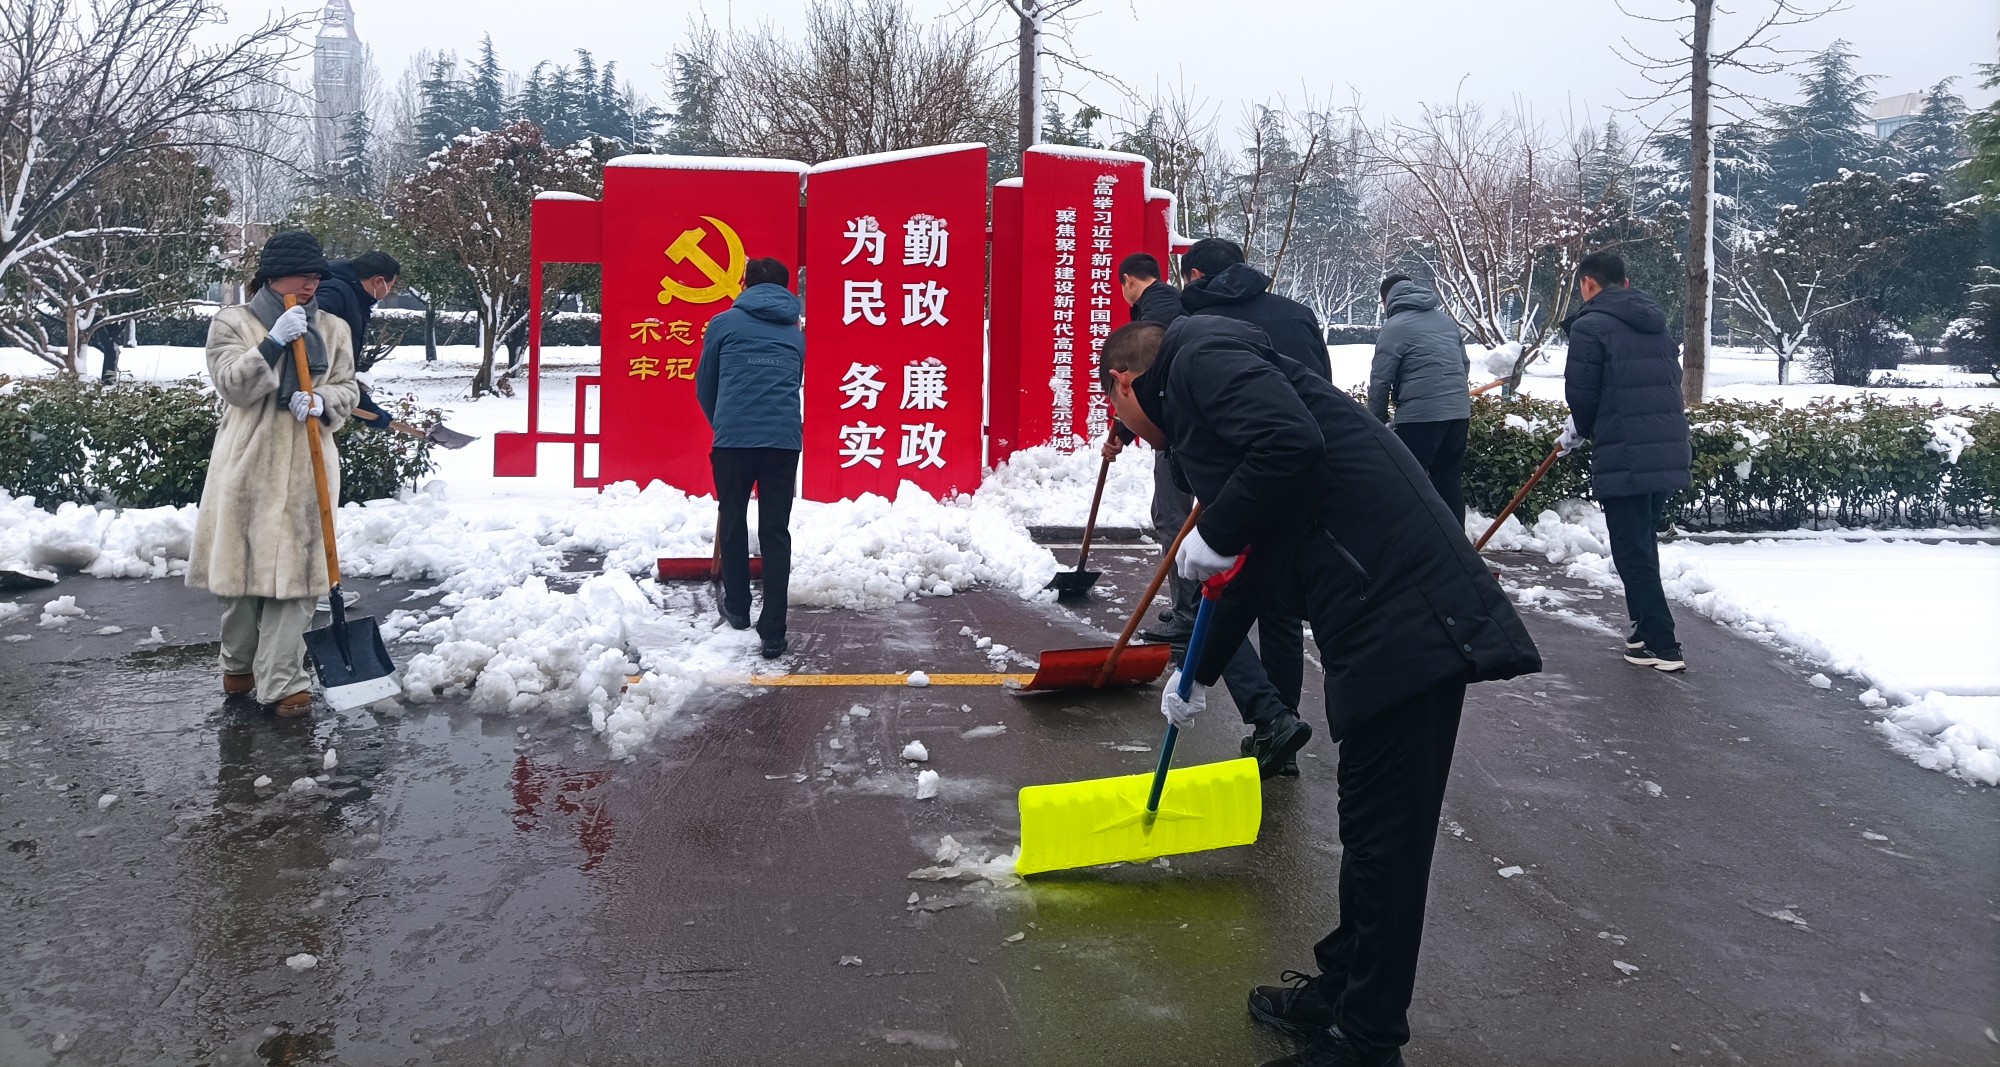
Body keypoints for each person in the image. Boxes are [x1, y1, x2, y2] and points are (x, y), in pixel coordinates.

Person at [1100, 316, 1541, 1067]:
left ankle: (1367, 1041)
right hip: (1378, 608)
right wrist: (1196, 674)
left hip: (1408, 612)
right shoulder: (1210, 413)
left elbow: (1291, 444)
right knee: (1368, 831)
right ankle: (1342, 989)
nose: (1134, 438)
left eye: (1117, 412)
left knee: (1385, 846)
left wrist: (1219, 527)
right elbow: (1251, 559)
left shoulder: (1198, 358)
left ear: (1124, 382)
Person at [186, 231, 358, 717]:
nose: (311, 283)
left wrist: (325, 400)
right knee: (242, 581)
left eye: (316, 276)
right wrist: (272, 343)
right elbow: (232, 387)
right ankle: (238, 663)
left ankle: (284, 682)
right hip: (247, 465)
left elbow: (348, 387)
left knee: (300, 581)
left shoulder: (334, 328)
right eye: (302, 274)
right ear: (272, 276)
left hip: (308, 466)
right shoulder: (232, 322)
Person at [1557, 251, 1692, 672]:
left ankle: (1663, 645)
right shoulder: (1655, 323)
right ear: (1626, 283)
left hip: (1627, 452)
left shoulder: (1590, 325)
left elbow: (1582, 393)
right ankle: (1643, 632)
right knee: (1641, 546)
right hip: (1664, 447)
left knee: (1633, 552)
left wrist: (1577, 430)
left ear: (1588, 284)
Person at [695, 256, 803, 660]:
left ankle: (738, 608)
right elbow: (794, 381)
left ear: (746, 285)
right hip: (783, 442)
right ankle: (773, 632)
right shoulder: (795, 332)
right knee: (775, 531)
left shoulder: (723, 323)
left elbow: (706, 384)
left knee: (733, 516)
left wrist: (724, 423)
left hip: (734, 441)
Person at [1368, 275, 1472, 524]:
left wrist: (1376, 421)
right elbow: (1464, 365)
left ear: (1387, 300)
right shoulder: (1446, 321)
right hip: (1458, 414)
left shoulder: (1394, 328)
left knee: (1405, 482)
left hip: (1420, 417)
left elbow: (1380, 380)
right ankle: (1455, 542)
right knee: (1448, 479)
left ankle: (1409, 542)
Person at [1179, 237, 1332, 380]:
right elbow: (1324, 384)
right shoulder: (1300, 313)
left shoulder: (1193, 326)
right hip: (1306, 400)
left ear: (1195, 275)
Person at [315, 250, 402, 434]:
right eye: (390, 286)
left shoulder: (353, 296)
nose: (389, 292)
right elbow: (320, 354)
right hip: (309, 400)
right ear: (378, 281)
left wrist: (366, 408)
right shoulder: (334, 294)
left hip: (320, 397)